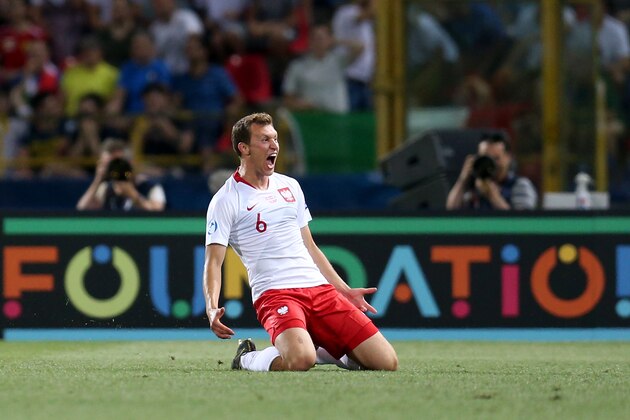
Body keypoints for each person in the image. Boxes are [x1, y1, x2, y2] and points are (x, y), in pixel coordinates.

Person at [203, 112, 398, 372]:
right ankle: (247, 358)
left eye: (275, 139)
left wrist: (344, 289)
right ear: (244, 148)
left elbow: (310, 246)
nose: (274, 146)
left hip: (318, 289)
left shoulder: (290, 186)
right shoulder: (226, 199)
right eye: (264, 140)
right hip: (275, 294)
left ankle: (325, 350)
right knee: (300, 361)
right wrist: (211, 307)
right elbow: (214, 263)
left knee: (387, 363)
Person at [446, 133, 537, 210]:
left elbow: (521, 224)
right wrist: (463, 178)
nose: (491, 163)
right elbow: (451, 212)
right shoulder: (473, 185)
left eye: (496, 158)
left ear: (508, 158)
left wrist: (492, 196)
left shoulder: (520, 185)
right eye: (486, 158)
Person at [76, 138, 166, 211]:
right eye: (106, 165)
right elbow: (82, 210)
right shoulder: (106, 189)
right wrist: (97, 180)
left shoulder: (150, 186)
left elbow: (159, 215)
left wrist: (134, 196)